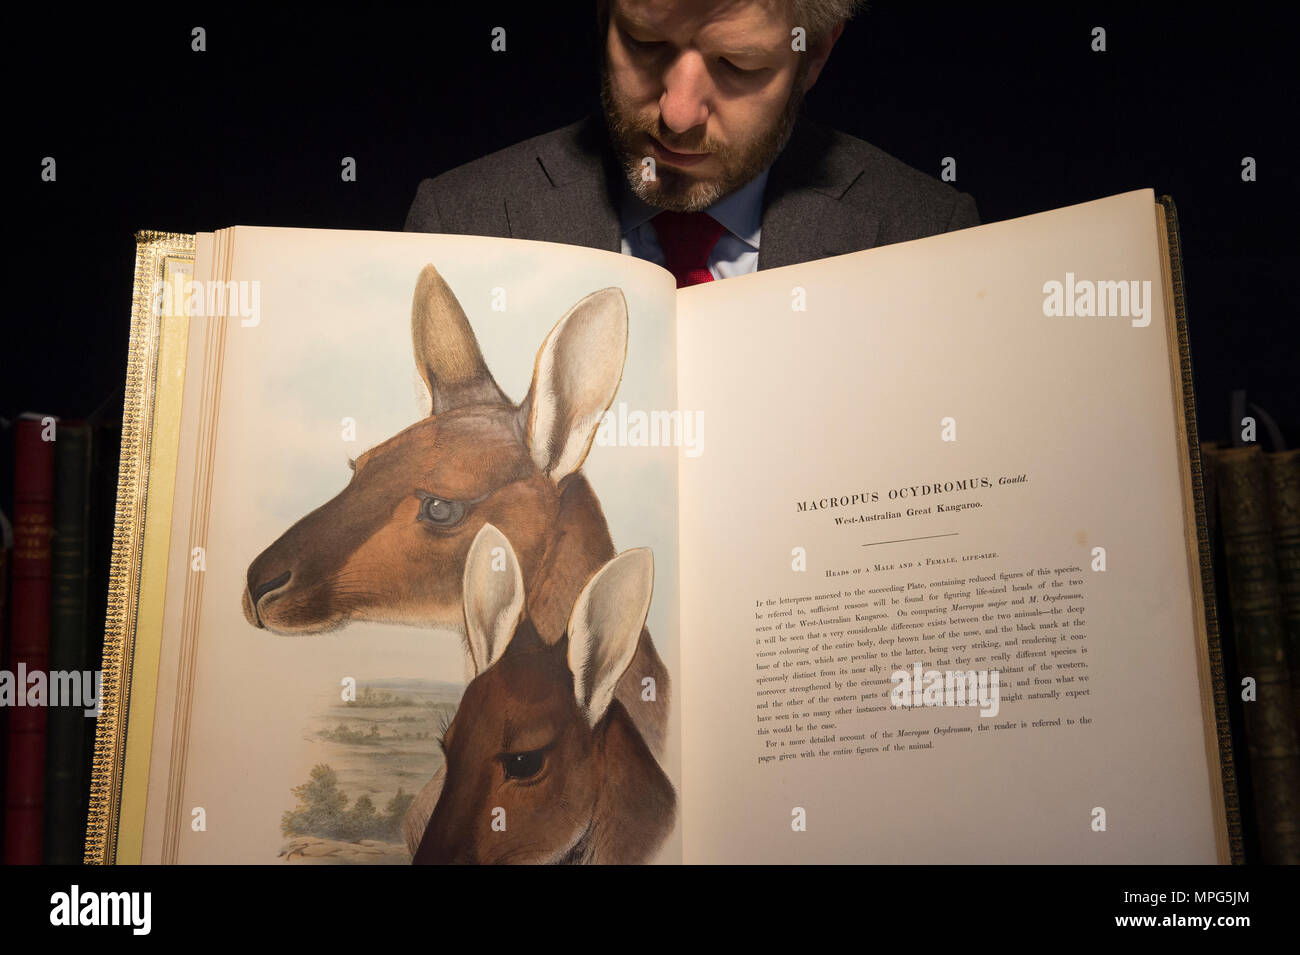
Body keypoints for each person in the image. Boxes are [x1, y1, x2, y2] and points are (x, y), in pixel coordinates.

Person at [404, 0, 978, 287]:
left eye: (737, 64)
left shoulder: (928, 237)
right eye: (644, 43)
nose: (677, 115)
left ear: (815, 55)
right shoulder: (457, 221)